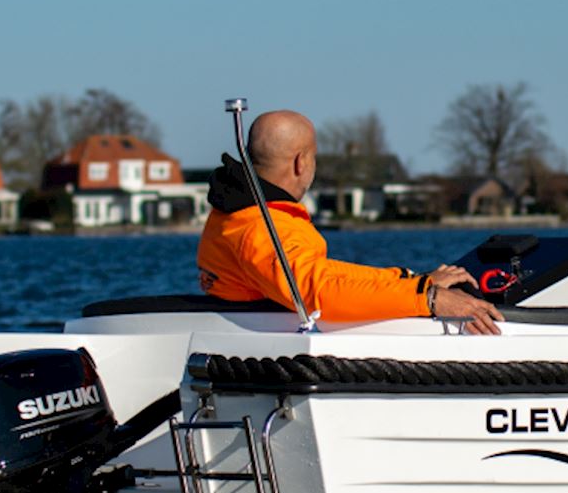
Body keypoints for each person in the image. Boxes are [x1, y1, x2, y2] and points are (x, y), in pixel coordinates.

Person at [197, 110, 503, 334]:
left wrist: (411, 281)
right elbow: (318, 292)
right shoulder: (259, 227)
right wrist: (429, 298)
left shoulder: (245, 214)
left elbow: (322, 274)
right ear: (301, 162)